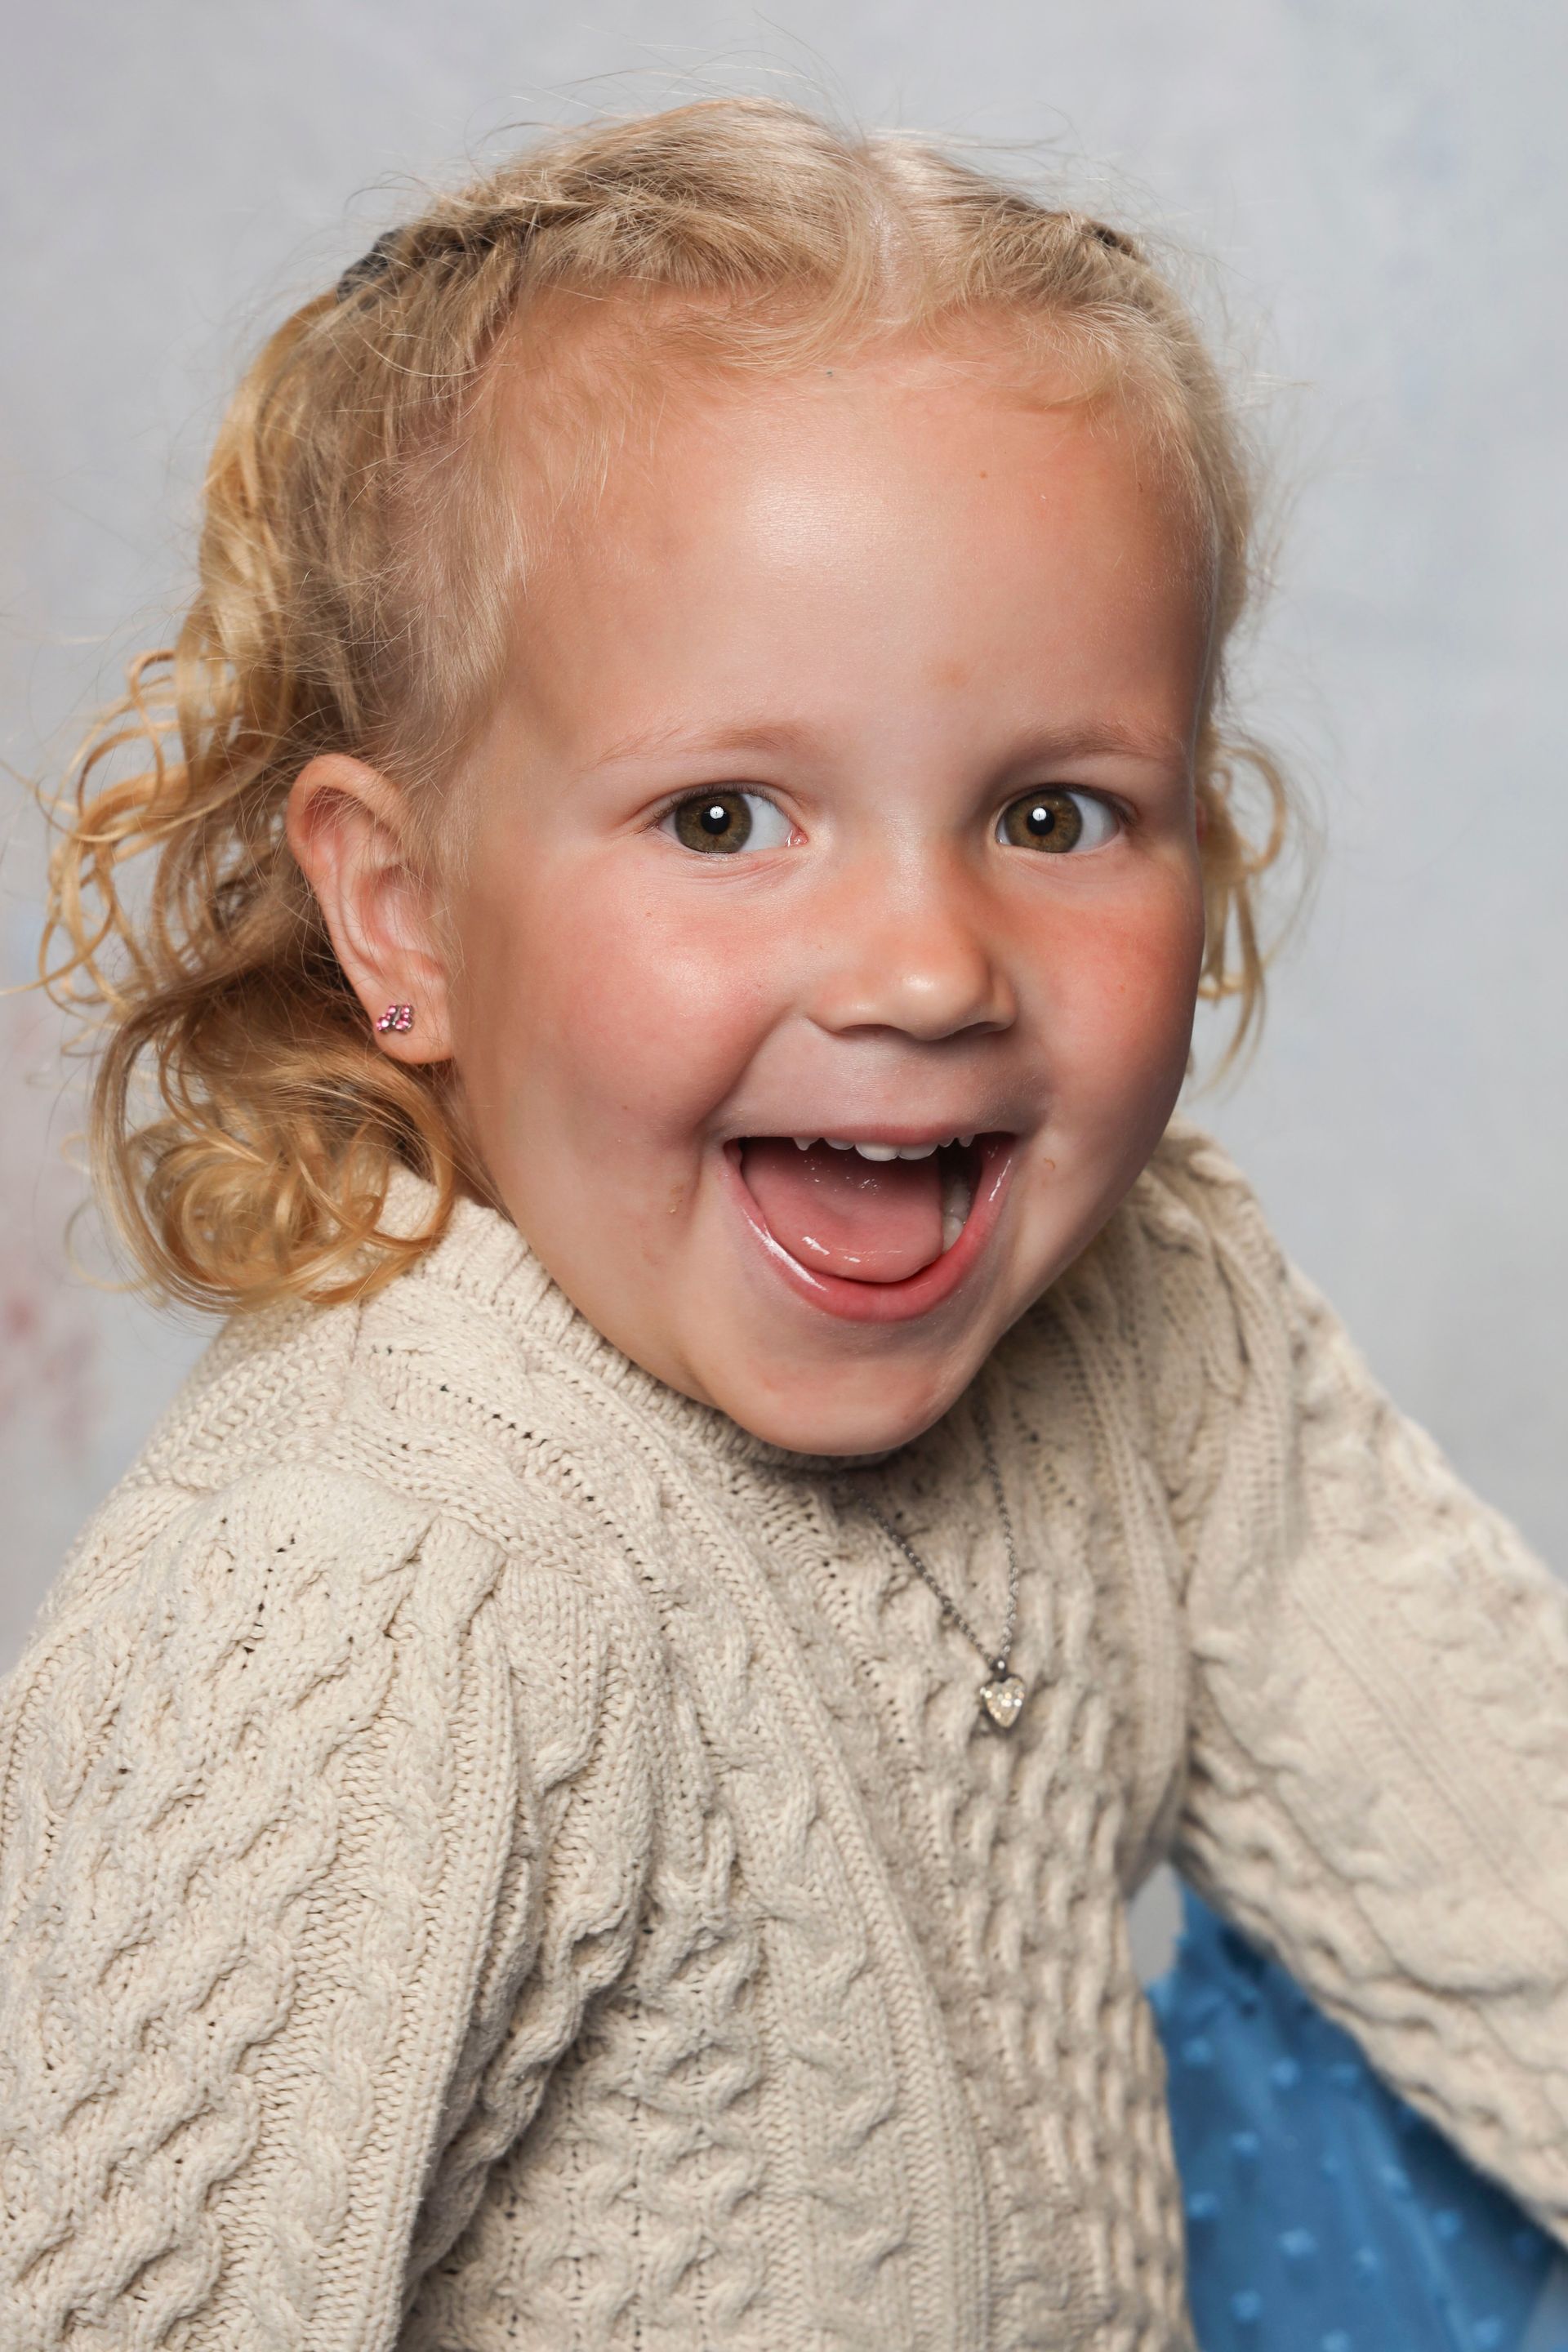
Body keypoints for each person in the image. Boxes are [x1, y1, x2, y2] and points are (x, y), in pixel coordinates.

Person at [3, 95, 1565, 2352]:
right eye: (725, 816)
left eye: (1057, 809)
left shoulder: (1159, 1328)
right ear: (404, 907)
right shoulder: (373, 1591)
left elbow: (1522, 1890)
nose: (928, 968)